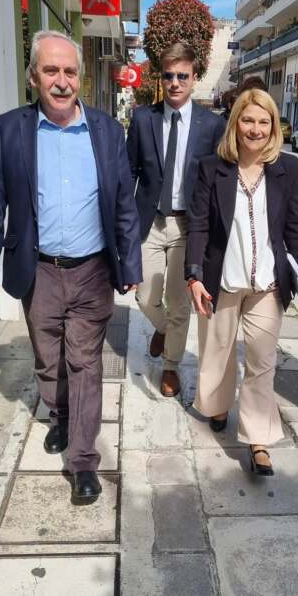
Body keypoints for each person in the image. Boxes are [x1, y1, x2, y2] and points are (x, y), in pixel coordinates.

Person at [0, 30, 141, 503]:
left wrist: (130, 263)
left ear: (80, 78)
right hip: (38, 270)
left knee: (84, 361)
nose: (61, 81)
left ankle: (83, 460)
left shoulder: (107, 131)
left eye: (69, 71)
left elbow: (123, 204)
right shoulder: (11, 128)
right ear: (33, 77)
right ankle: (60, 416)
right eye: (51, 71)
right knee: (49, 359)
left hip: (92, 271)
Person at [186, 88, 298, 476]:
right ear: (235, 123)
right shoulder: (212, 167)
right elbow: (199, 225)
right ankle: (218, 405)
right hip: (221, 280)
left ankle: (258, 439)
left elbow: (292, 223)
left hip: (267, 285)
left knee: (261, 360)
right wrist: (193, 275)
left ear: (273, 127)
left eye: (264, 121)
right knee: (218, 352)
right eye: (248, 120)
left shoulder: (287, 167)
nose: (255, 129)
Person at [126, 42, 225, 397]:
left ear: (194, 78)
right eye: (169, 75)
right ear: (161, 78)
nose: (175, 83)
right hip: (151, 221)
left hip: (188, 226)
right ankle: (164, 329)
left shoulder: (211, 125)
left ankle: (170, 366)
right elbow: (129, 172)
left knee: (179, 302)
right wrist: (125, 225)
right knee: (145, 298)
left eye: (183, 76)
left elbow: (219, 181)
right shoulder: (143, 119)